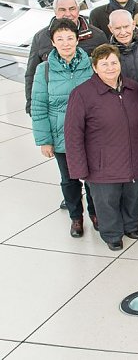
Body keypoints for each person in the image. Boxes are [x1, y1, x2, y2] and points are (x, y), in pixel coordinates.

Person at [65, 44, 138, 251]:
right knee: (107, 201)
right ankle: (112, 233)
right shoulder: (82, 94)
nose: (111, 68)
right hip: (102, 163)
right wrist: (78, 169)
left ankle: (131, 225)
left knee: (133, 195)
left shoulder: (133, 88)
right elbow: (73, 134)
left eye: (114, 62)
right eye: (104, 64)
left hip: (135, 158)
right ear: (95, 67)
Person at [31, 19, 96, 237]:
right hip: (61, 135)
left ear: (78, 39)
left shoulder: (91, 63)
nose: (66, 43)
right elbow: (39, 106)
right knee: (69, 180)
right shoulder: (44, 70)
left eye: (70, 38)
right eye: (60, 39)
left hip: (90, 134)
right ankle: (76, 218)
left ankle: (96, 213)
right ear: (52, 42)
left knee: (94, 178)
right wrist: (44, 141)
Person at [25, 0, 107, 115]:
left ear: (78, 10)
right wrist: (31, 105)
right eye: (62, 10)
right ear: (55, 12)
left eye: (72, 9)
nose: (68, 14)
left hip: (91, 108)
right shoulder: (41, 37)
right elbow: (31, 74)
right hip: (57, 110)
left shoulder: (97, 36)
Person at [108, 10, 138, 84]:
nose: (123, 32)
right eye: (117, 28)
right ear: (110, 28)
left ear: (133, 24)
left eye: (126, 26)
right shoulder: (107, 54)